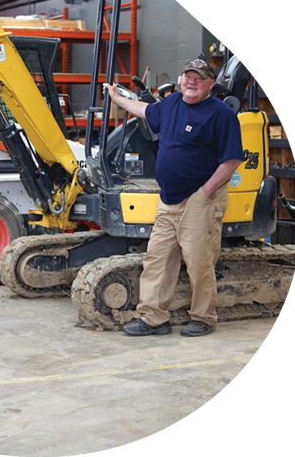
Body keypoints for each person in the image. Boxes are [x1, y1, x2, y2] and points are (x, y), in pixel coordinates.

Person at [103, 58, 244, 337]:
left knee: (198, 260)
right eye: (188, 76)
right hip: (168, 198)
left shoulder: (220, 114)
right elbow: (145, 110)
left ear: (210, 84)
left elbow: (231, 160)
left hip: (200, 197)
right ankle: (153, 318)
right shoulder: (172, 103)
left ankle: (204, 317)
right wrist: (118, 98)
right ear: (181, 79)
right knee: (157, 258)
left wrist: (205, 193)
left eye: (199, 77)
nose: (191, 81)